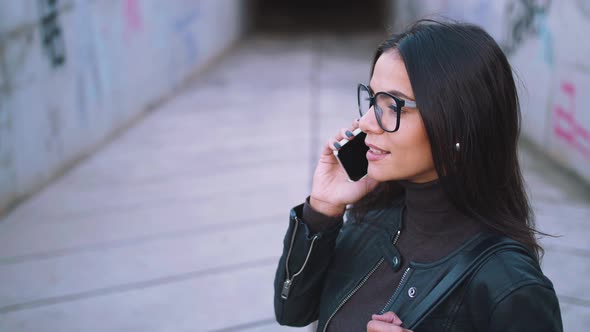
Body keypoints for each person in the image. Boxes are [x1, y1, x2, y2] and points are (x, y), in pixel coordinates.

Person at [273, 19, 563, 332]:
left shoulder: (508, 285)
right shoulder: (371, 217)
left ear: (457, 123)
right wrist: (322, 209)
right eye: (373, 100)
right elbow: (292, 310)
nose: (366, 121)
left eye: (393, 105)